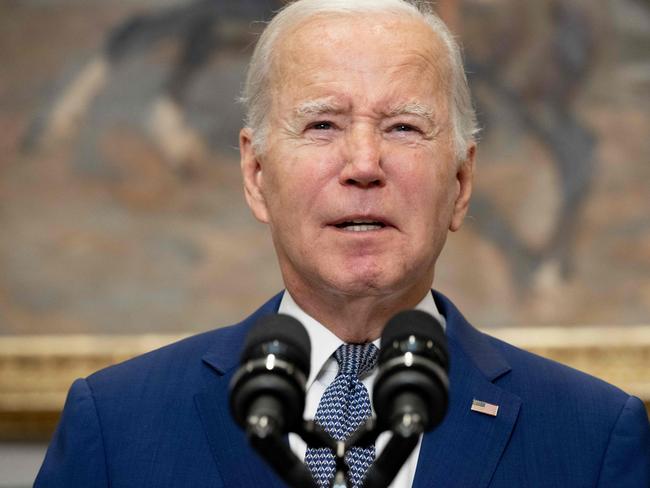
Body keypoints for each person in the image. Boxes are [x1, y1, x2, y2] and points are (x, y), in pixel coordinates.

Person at [35, 1, 650, 487]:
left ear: (460, 183)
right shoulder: (118, 425)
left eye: (403, 127)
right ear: (256, 176)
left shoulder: (591, 436)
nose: (362, 164)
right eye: (322, 124)